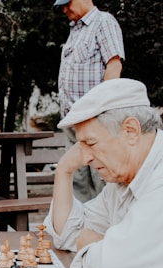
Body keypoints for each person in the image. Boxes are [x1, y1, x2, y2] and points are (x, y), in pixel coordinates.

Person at [43, 78, 163, 268]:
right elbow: (66, 235)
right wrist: (63, 171)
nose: (85, 156)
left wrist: (98, 244)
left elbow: (110, 267)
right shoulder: (123, 181)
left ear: (130, 130)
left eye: (90, 143)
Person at [54, 0, 125, 202]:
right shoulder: (74, 30)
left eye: (67, 3)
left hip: (94, 119)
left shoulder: (104, 22)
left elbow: (114, 66)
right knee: (77, 181)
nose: (64, 9)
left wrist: (102, 111)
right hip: (71, 120)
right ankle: (81, 230)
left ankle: (105, 231)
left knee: (101, 178)